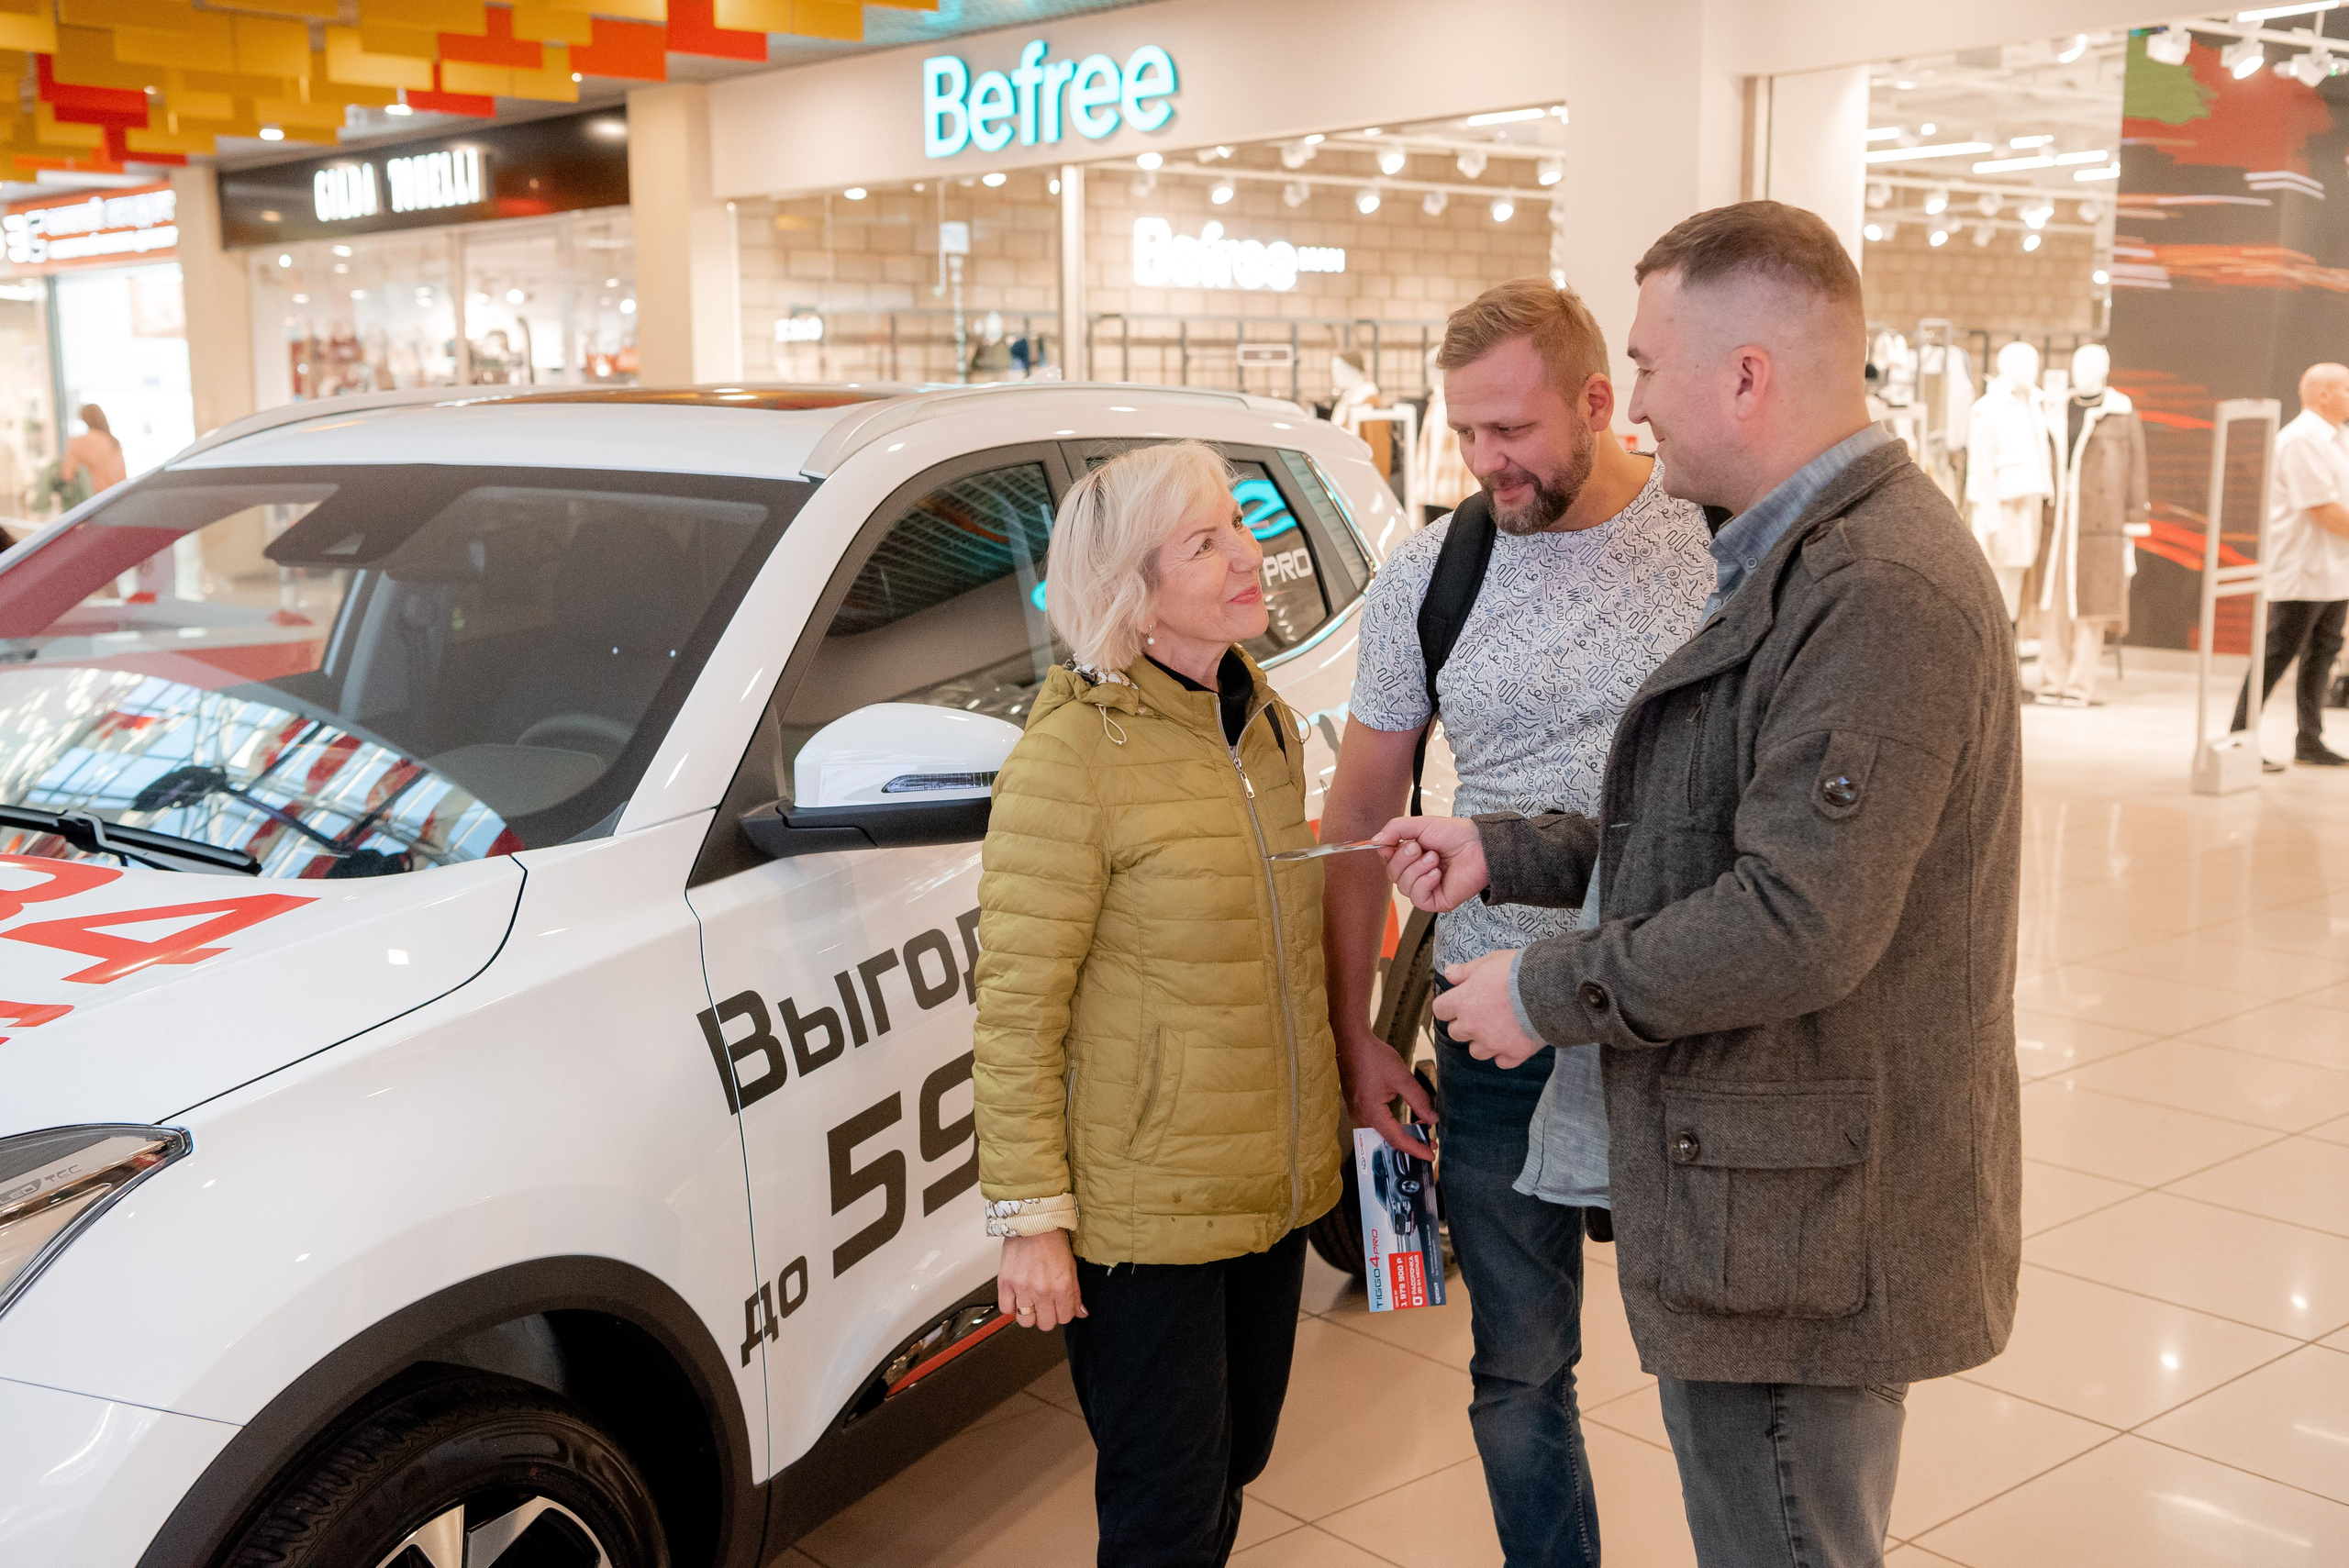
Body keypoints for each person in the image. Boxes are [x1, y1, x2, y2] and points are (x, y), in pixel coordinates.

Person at [1375, 202, 2023, 1568]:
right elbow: (1711, 825)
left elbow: (1797, 918)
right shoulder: (1790, 562)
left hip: (1801, 1210)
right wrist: (1513, 850)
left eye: (1656, 366)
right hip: (1768, 1184)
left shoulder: (1874, 589)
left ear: (1747, 375)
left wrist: (1547, 989)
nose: (1643, 402)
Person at [1319, 277, 1712, 1568]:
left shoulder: (1713, 545)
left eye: (1515, 430)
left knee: (1716, 1357)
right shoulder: (1432, 574)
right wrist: (1355, 1041)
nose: (1487, 461)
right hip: (1496, 1037)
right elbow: (1358, 820)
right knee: (1519, 1371)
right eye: (1466, 432)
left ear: (1601, 403)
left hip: (1676, 1015)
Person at [972, 439, 1343, 1568]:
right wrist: (1031, 1214)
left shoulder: (1258, 720)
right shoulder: (1073, 756)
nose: (1247, 553)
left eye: (1238, 522)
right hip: (1149, 1212)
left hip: (1267, 1187)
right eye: (1205, 540)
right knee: (1163, 1510)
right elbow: (1017, 1005)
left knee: (1234, 1462)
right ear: (1132, 594)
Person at [2231, 361, 2349, 767]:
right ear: (2323, 395)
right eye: (2347, 390)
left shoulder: (2338, 438)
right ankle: (2240, 739)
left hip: (2335, 569)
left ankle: (2309, 740)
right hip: (2303, 569)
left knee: (2322, 655)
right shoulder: (2301, 439)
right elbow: (2323, 510)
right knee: (2277, 656)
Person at [59, 404, 126, 496]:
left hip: (97, 501)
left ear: (83, 418)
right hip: (119, 497)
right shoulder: (114, 442)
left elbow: (67, 475)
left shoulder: (78, 442)